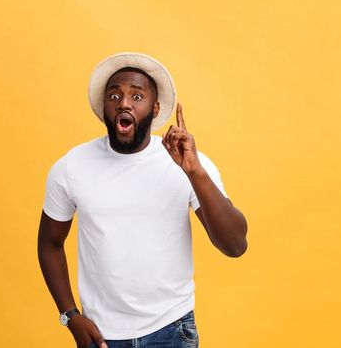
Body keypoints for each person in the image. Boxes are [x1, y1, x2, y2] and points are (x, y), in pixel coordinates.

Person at [37, 52, 248, 348]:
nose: (124, 103)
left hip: (172, 330)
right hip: (101, 336)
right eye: (114, 95)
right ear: (105, 106)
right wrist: (70, 316)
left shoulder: (187, 163)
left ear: (155, 107)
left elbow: (235, 245)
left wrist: (194, 172)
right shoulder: (71, 167)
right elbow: (49, 243)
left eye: (137, 96)